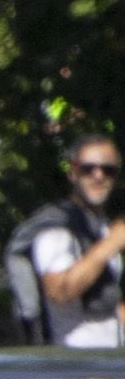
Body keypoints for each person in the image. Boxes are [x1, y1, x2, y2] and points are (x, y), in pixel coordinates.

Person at [18, 137, 125, 348]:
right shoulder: (57, 228)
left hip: (111, 363)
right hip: (73, 365)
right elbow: (60, 292)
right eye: (88, 169)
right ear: (72, 173)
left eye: (108, 170)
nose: (98, 176)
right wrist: (111, 244)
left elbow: (106, 312)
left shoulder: (102, 227)